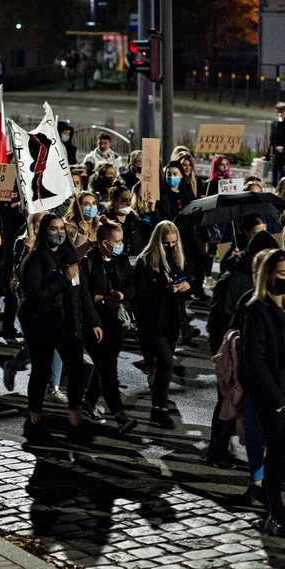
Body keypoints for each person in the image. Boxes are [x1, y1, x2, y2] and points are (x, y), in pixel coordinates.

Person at [17, 213, 102, 442]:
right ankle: (35, 417)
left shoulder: (70, 256)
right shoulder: (34, 260)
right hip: (40, 324)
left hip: (66, 324)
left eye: (61, 228)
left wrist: (94, 321)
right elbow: (36, 295)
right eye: (53, 229)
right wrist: (63, 278)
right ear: (44, 232)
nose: (59, 233)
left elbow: (82, 291)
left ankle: (75, 417)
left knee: (75, 370)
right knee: (41, 370)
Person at [207, 230, 278, 469]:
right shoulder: (234, 283)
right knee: (228, 405)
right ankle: (217, 452)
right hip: (237, 359)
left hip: (256, 362)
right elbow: (217, 324)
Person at [240, 248, 285, 537]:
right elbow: (253, 360)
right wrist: (276, 400)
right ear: (268, 276)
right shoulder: (257, 309)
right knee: (278, 453)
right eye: (282, 274)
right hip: (274, 396)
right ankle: (275, 512)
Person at [79, 218, 137, 434]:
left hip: (115, 323)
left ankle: (87, 405)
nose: (121, 245)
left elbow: (131, 285)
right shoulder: (87, 262)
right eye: (117, 241)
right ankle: (120, 415)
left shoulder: (121, 261)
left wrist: (122, 295)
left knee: (104, 365)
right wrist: (103, 300)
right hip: (94, 323)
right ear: (104, 243)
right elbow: (83, 295)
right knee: (107, 370)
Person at [134, 220, 189, 429]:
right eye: (166, 243)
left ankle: (158, 408)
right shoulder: (145, 262)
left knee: (165, 366)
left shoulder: (177, 258)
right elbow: (140, 294)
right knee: (166, 362)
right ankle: (160, 409)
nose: (170, 247)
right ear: (158, 241)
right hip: (152, 320)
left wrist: (186, 284)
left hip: (172, 319)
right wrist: (164, 289)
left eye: (174, 243)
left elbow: (186, 276)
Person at [270, 102, 285, 186]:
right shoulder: (274, 124)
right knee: (275, 178)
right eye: (278, 112)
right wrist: (268, 154)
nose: (279, 114)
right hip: (277, 155)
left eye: (281, 112)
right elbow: (272, 139)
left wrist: (283, 148)